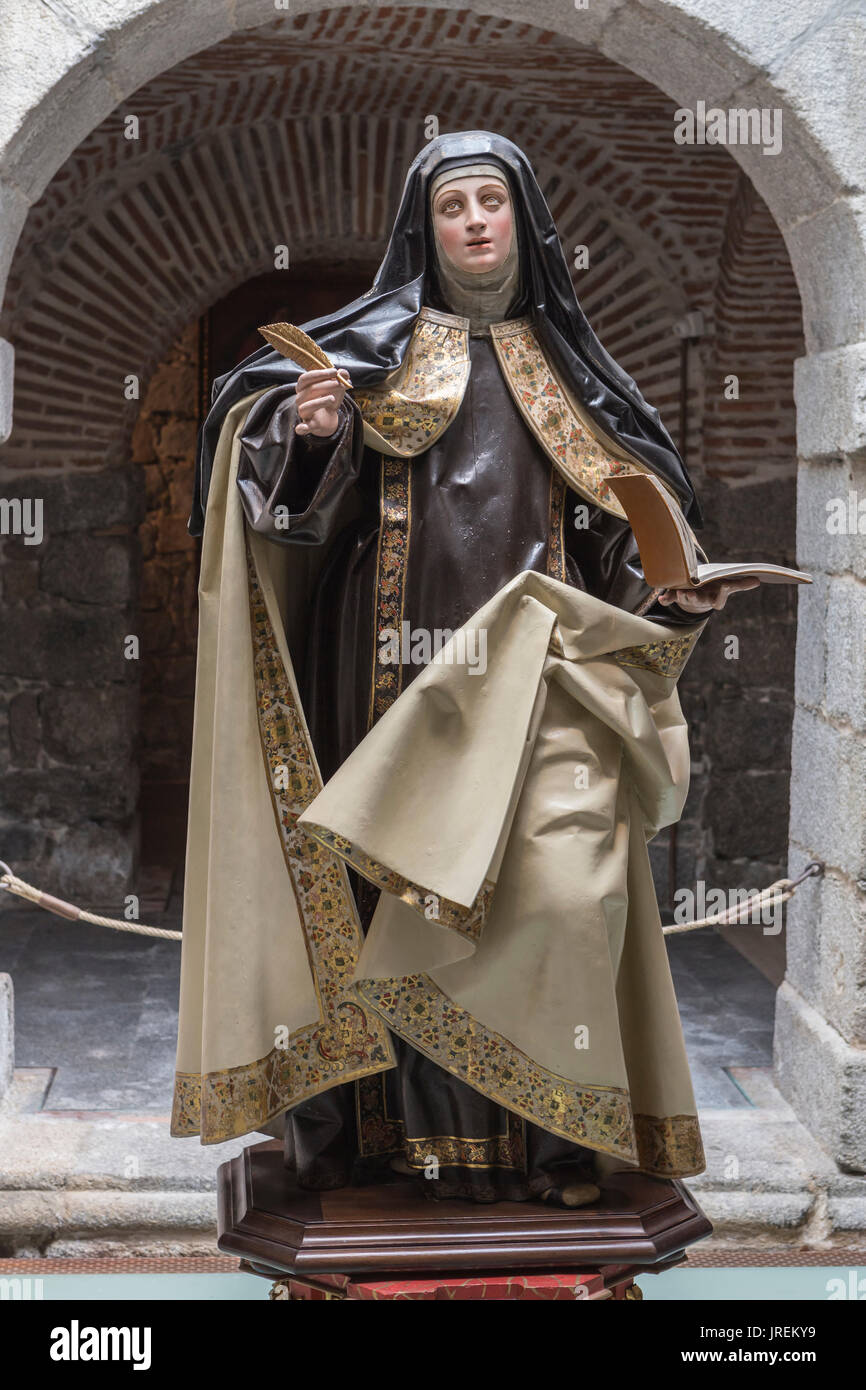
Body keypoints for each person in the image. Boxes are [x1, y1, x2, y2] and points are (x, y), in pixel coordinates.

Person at [173, 131, 755, 1206]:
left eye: (492, 201)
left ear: (523, 223)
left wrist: (668, 589)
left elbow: (624, 524)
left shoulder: (575, 373)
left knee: (559, 897)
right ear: (425, 229)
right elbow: (292, 516)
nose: (475, 221)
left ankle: (550, 1132)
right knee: (393, 897)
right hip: (388, 674)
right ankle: (390, 1145)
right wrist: (307, 441)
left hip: (539, 678)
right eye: (454, 206)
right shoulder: (368, 356)